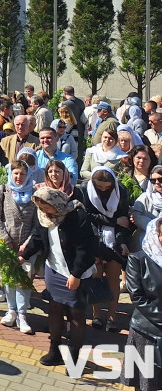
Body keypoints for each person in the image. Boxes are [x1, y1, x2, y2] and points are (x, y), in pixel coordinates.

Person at [25, 186, 97, 366]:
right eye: (40, 207)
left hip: (75, 272)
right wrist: (23, 256)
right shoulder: (44, 217)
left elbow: (85, 249)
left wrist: (76, 274)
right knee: (54, 308)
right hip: (54, 269)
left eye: (46, 207)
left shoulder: (76, 216)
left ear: (55, 203)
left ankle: (73, 357)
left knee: (76, 314)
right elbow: (38, 239)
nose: (43, 211)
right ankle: (55, 350)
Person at [76, 165, 131, 331]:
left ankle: (112, 317)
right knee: (96, 276)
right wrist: (112, 221)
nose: (103, 190)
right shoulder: (85, 190)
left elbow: (123, 219)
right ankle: (97, 315)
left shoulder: (121, 190)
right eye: (99, 187)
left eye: (107, 188)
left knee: (113, 278)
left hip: (114, 240)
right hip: (93, 238)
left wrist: (122, 242)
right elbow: (86, 215)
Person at [0, 160, 39, 334]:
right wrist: (4, 238)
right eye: (16, 173)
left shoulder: (34, 193)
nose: (18, 177)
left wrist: (27, 244)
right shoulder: (3, 190)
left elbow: (37, 223)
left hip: (26, 245)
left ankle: (23, 315)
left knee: (24, 281)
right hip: (6, 243)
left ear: (28, 175)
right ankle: (11, 310)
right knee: (8, 279)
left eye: (22, 174)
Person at [125, 216, 162, 391]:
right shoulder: (138, 259)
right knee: (145, 384)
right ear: (156, 235)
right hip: (146, 331)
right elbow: (137, 296)